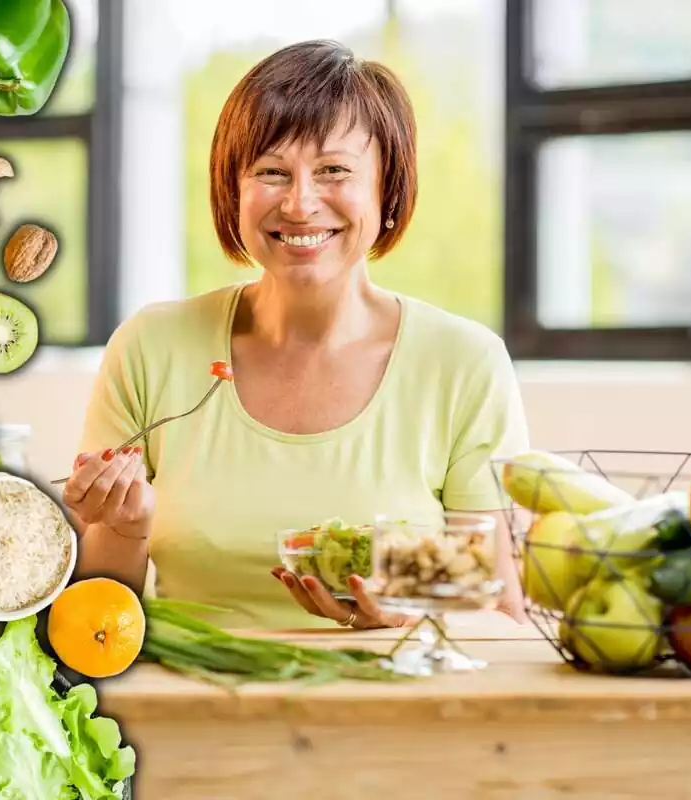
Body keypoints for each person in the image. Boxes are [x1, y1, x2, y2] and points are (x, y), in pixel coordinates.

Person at [61, 39, 530, 630]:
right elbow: (96, 625)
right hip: (188, 706)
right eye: (271, 172)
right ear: (233, 193)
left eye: (335, 170)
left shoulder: (463, 363)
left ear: (388, 190)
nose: (301, 203)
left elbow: (498, 609)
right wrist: (123, 528)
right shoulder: (153, 347)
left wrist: (408, 616)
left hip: (391, 709)